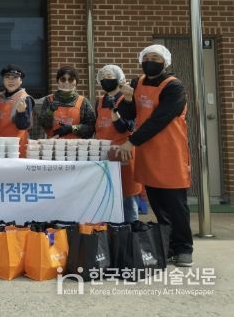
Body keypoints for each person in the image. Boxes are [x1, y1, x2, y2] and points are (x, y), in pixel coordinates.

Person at [117, 44, 193, 267]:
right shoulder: (137, 82)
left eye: (156, 58)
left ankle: (184, 248)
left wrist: (131, 141)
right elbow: (129, 114)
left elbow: (159, 120)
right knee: (158, 204)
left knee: (175, 204)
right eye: (147, 57)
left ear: (165, 62)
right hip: (148, 152)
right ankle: (167, 245)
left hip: (170, 153)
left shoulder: (174, 87)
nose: (150, 61)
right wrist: (128, 99)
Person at [93, 64, 141, 223]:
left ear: (119, 79)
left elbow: (126, 127)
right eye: (103, 77)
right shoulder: (99, 101)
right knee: (107, 195)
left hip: (123, 152)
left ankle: (131, 229)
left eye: (109, 77)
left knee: (127, 196)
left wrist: (114, 112)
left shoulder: (126, 99)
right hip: (104, 155)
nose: (106, 80)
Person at [39, 65, 95, 139]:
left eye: (70, 79)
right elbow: (43, 125)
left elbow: (91, 128)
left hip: (77, 145)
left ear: (76, 82)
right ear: (58, 81)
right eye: (63, 79)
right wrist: (49, 111)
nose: (66, 82)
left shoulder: (83, 102)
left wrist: (72, 128)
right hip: (53, 144)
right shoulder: (49, 100)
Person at [0, 64, 34, 156]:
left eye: (15, 77)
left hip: (16, 149)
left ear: (21, 81)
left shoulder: (25, 98)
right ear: (3, 80)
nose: (11, 80)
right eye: (7, 77)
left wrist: (21, 112)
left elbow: (24, 126)